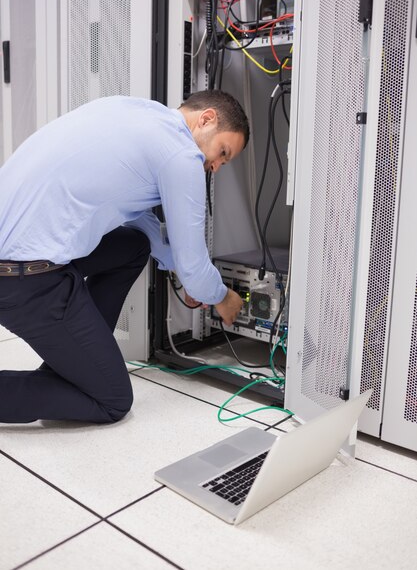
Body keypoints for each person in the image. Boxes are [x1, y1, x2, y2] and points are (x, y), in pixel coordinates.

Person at [0, 90, 249, 424]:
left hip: (17, 264)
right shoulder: (181, 154)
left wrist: (183, 272)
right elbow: (194, 264)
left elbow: (139, 221)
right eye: (223, 152)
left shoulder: (131, 110)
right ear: (206, 119)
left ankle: (79, 357)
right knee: (113, 400)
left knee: (132, 246)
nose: (216, 167)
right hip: (25, 281)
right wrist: (221, 296)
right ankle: (80, 369)